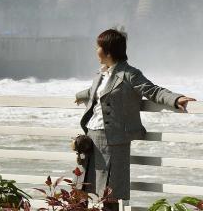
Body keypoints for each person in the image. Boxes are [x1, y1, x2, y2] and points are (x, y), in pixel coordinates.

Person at [75, 29, 196, 209]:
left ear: (108, 50)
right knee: (82, 188)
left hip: (115, 140)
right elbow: (96, 92)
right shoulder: (101, 74)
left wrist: (176, 99)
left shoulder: (130, 74)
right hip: (92, 137)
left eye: (98, 47)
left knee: (110, 193)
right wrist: (80, 95)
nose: (95, 50)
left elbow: (153, 90)